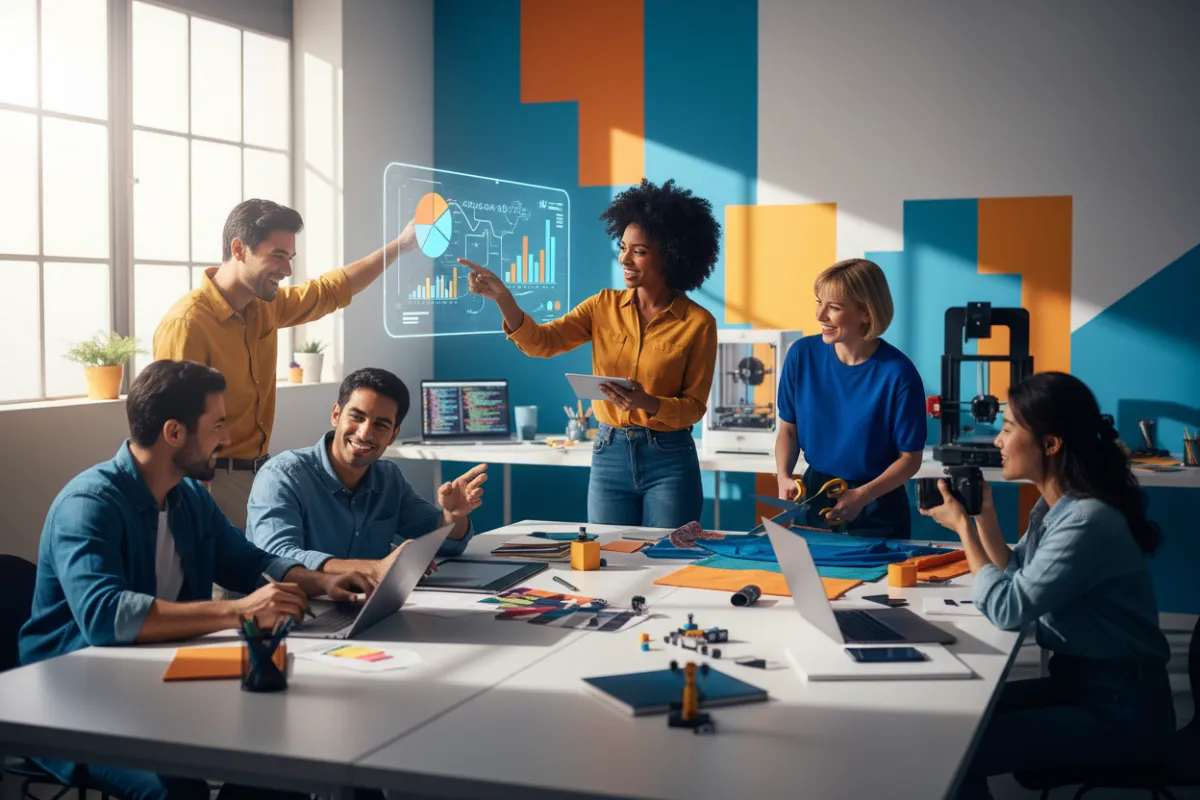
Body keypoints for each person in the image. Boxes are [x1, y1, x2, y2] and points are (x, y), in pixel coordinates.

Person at [19, 360, 373, 799]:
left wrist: (320, 583)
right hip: (76, 699)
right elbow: (104, 616)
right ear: (173, 433)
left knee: (291, 756)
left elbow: (246, 559)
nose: (227, 439)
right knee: (176, 789)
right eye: (218, 425)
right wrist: (238, 610)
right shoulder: (89, 504)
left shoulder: (187, 497)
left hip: (157, 679)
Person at [919, 372, 1174, 799]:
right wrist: (984, 517)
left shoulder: (1087, 520)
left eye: (1007, 428)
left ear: (1051, 444)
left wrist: (964, 531)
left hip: (1120, 711)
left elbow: (1007, 608)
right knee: (950, 722)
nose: (997, 441)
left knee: (954, 747)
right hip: (1083, 686)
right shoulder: (1058, 506)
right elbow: (1020, 570)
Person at [462, 179, 720, 529]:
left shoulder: (698, 323)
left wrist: (648, 402)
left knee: (667, 558)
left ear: (671, 254)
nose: (624, 258)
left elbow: (694, 406)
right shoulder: (602, 305)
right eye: (623, 247)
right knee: (610, 558)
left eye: (639, 251)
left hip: (670, 458)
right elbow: (544, 342)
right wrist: (504, 299)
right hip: (609, 454)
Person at [153, 199, 419, 532]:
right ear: (239, 249)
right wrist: (193, 497)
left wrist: (402, 245)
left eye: (290, 258)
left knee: (273, 578)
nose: (287, 270)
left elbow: (330, 291)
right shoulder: (187, 324)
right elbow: (173, 427)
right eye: (277, 255)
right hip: (210, 482)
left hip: (261, 475)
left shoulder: (266, 306)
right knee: (227, 584)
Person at [246, 368, 487, 580]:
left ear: (393, 435)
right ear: (335, 415)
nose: (364, 433)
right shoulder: (282, 476)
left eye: (380, 425)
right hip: (290, 616)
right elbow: (277, 558)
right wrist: (374, 568)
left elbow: (446, 545)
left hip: (363, 609)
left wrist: (453, 516)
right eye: (357, 417)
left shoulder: (388, 478)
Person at [774, 258, 925, 538]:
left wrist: (863, 496)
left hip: (878, 502)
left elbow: (910, 459)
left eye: (834, 307)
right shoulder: (801, 355)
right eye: (819, 302)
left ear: (866, 313)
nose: (820, 315)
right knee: (809, 580)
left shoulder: (899, 374)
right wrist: (783, 474)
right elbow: (788, 430)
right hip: (814, 496)